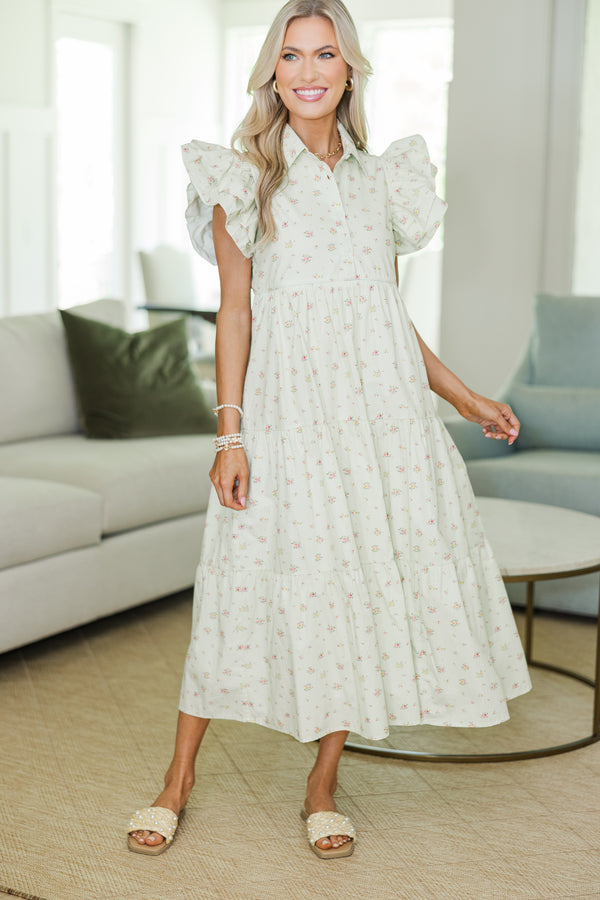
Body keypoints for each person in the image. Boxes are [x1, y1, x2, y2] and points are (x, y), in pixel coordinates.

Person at [127, 0, 532, 860]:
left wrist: (464, 398)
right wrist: (229, 436)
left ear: (350, 69)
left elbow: (383, 315)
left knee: (352, 588)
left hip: (381, 419)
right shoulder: (243, 177)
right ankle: (177, 778)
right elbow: (235, 314)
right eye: (291, 56)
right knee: (238, 583)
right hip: (287, 417)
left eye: (324, 54)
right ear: (271, 73)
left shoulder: (383, 181)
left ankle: (322, 783)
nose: (307, 72)